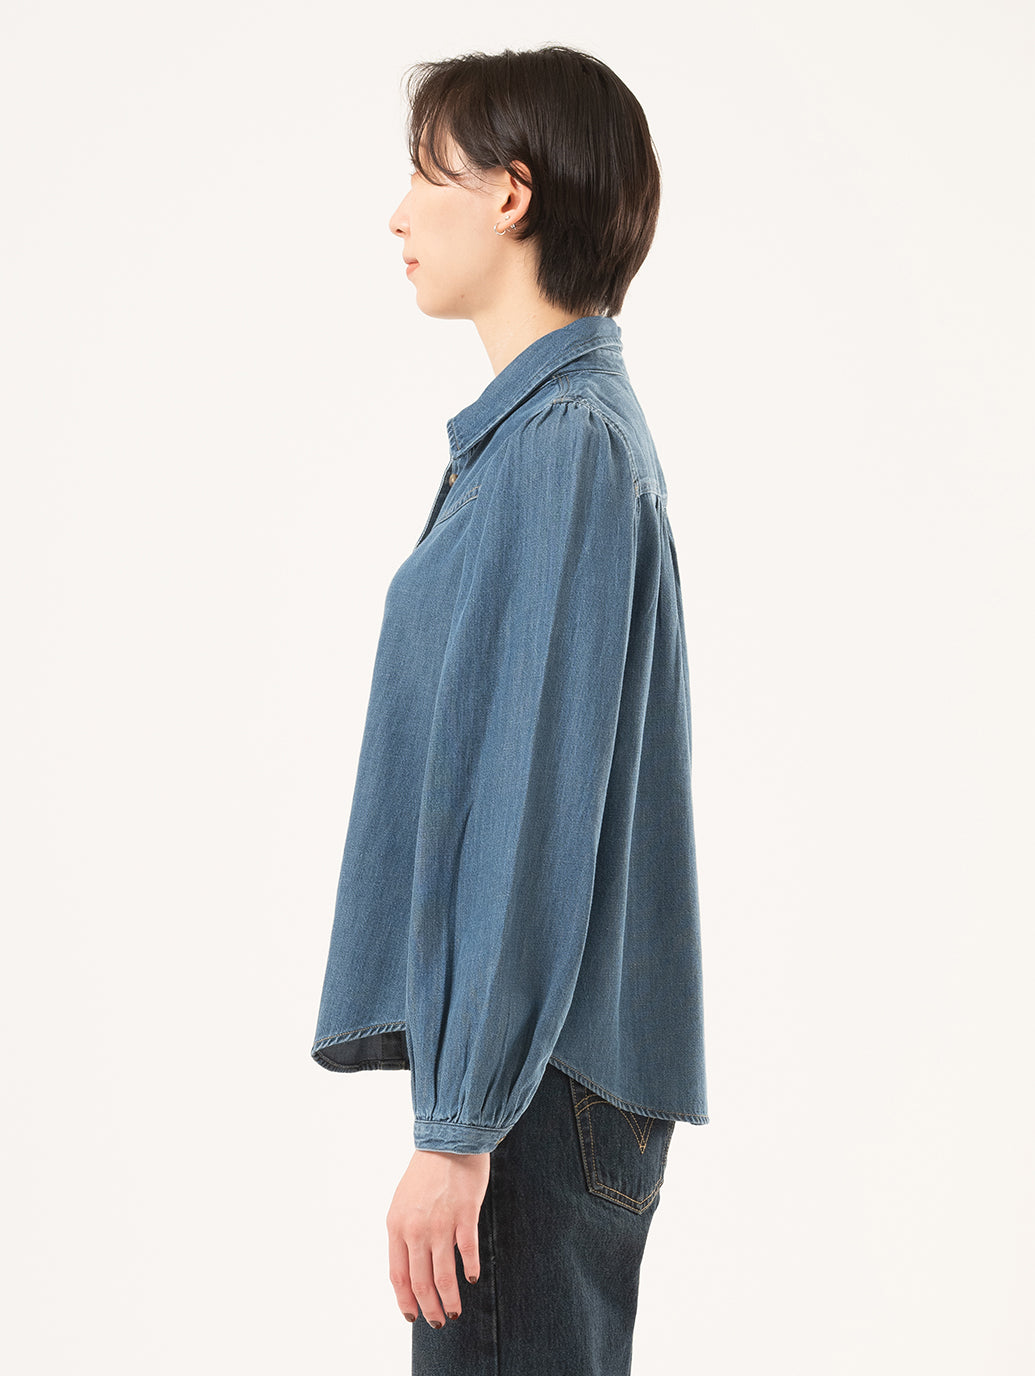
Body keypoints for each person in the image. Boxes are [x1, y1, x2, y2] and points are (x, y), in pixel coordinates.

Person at [310, 44, 709, 1375]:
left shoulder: (563, 449)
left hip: (532, 1094)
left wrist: (461, 1125)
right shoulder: (541, 442)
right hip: (540, 1080)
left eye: (428, 175)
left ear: (512, 195)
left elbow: (530, 801)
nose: (399, 213)